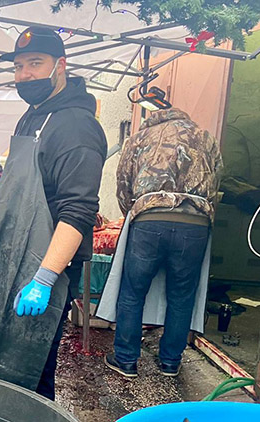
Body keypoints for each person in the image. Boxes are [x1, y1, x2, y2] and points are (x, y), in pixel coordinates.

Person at [0, 27, 107, 400]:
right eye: (18, 66)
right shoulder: (34, 117)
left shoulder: (76, 126)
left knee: (28, 368)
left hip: (44, 269)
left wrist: (44, 279)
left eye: (35, 64)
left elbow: (78, 210)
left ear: (60, 66)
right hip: (11, 260)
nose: (24, 74)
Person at [104, 108, 222, 378]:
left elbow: (123, 182)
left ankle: (126, 360)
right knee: (182, 296)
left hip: (150, 220)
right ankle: (170, 361)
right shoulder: (206, 138)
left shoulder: (140, 137)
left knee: (133, 292)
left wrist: (132, 213)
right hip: (195, 224)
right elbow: (216, 182)